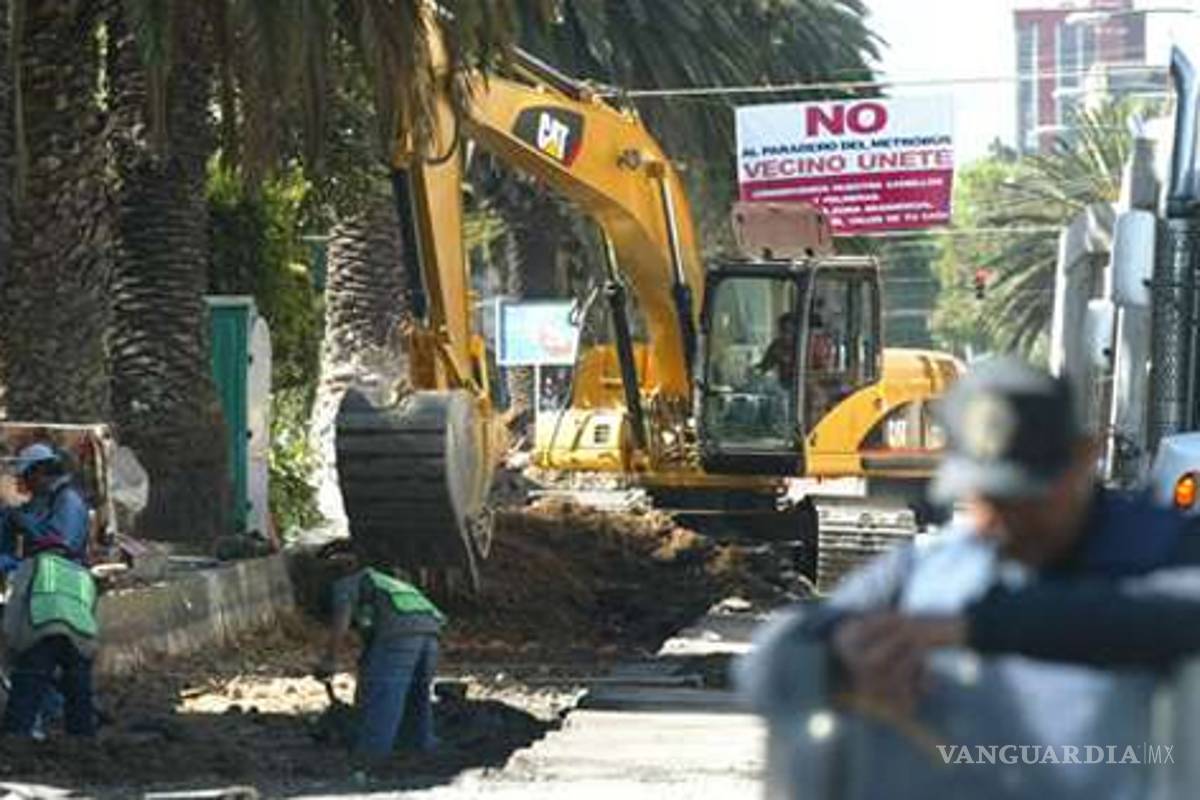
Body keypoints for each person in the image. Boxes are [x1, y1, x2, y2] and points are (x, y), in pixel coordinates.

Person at [738, 357, 1200, 799]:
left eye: (1027, 499)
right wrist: (839, 649)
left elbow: (1171, 615)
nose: (1007, 524)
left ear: (1086, 456)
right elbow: (768, 662)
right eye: (990, 500)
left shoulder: (1162, 550)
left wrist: (970, 629)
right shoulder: (928, 569)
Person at [1, 445, 99, 738]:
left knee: (35, 667)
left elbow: (59, 545)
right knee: (73, 672)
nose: (24, 486)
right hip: (55, 596)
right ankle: (80, 736)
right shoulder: (49, 501)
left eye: (27, 478)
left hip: (57, 596)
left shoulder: (67, 501)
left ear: (41, 472)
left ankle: (21, 736)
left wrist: (24, 527)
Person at [315, 553, 445, 767]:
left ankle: (371, 757)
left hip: (400, 633)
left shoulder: (345, 584)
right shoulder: (384, 582)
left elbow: (341, 622)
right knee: (417, 698)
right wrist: (366, 664)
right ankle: (421, 749)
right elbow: (372, 636)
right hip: (431, 630)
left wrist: (330, 660)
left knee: (384, 697)